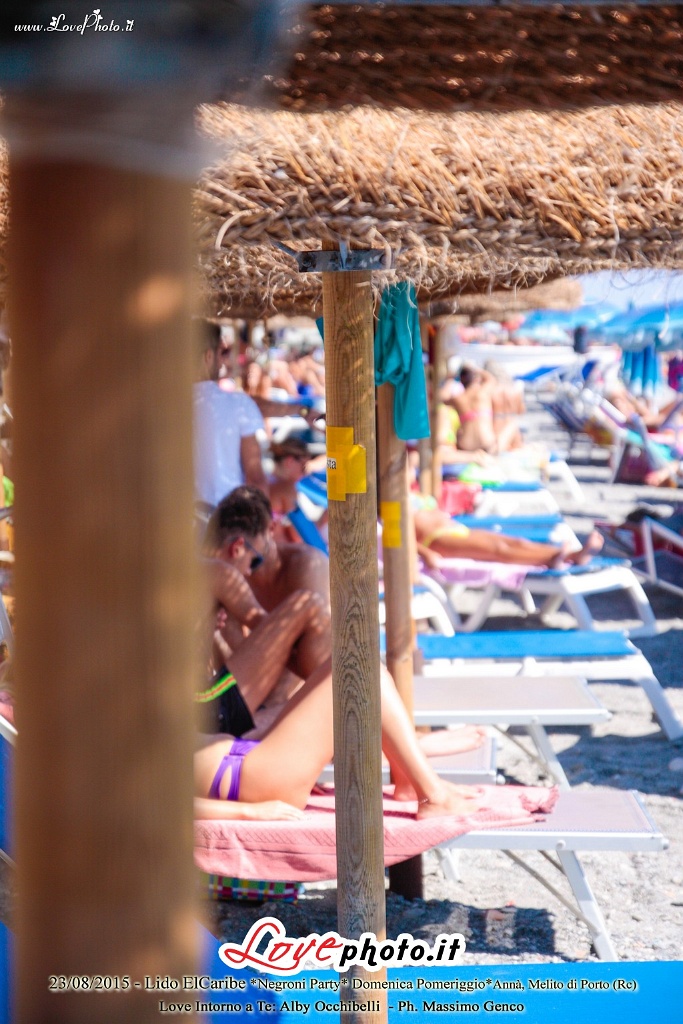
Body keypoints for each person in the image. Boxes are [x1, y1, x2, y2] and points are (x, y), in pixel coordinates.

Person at [194, 659, 487, 822]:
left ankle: (409, 779)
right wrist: (250, 812)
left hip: (247, 765)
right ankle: (432, 795)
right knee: (363, 673)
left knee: (348, 658)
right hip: (249, 779)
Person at [206, 484, 331, 611]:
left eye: (254, 561)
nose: (247, 572)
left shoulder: (307, 565)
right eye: (234, 552)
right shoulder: (229, 567)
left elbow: (315, 615)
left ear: (271, 528)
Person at [412, 496, 603, 569]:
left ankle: (571, 555)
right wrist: (426, 553)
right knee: (499, 550)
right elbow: (400, 538)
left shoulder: (405, 491)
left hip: (453, 528)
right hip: (436, 539)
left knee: (517, 543)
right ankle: (555, 558)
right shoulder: (395, 503)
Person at [194, 322, 268, 506]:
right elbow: (255, 475)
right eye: (222, 353)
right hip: (226, 513)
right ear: (208, 356)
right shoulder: (238, 404)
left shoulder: (157, 406)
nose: (223, 361)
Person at [451, 365, 499, 454]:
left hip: (466, 445)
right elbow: (491, 379)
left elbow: (440, 397)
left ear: (461, 380)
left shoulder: (458, 399)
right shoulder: (483, 392)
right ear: (475, 379)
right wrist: (476, 369)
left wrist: (452, 378)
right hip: (486, 441)